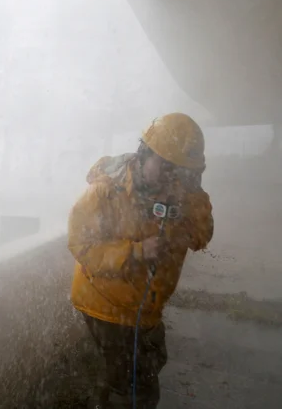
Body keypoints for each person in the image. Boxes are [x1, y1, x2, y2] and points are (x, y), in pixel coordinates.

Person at [67, 113, 214, 408]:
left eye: (179, 172)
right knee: (134, 385)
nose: (169, 178)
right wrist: (134, 252)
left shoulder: (183, 196)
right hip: (105, 304)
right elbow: (80, 243)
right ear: (144, 154)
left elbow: (202, 236)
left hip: (144, 308)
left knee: (146, 366)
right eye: (165, 167)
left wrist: (193, 193)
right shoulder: (106, 190)